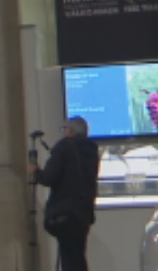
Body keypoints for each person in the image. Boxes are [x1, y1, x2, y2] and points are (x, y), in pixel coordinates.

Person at [29, 116, 100, 271]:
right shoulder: (91, 152)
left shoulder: (65, 146)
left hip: (64, 212)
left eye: (64, 129)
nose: (62, 133)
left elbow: (48, 178)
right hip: (83, 214)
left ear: (71, 131)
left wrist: (36, 171)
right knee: (77, 258)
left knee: (69, 259)